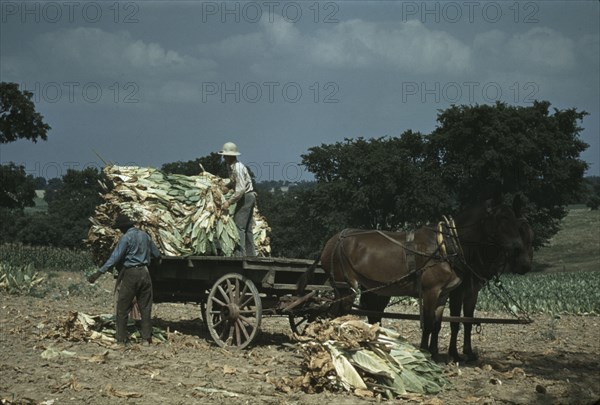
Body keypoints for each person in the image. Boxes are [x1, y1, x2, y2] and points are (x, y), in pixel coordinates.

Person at [87, 214, 161, 345]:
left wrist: (98, 273)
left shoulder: (126, 238)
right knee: (145, 307)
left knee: (122, 307)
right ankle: (146, 339)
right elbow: (157, 254)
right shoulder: (145, 236)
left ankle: (121, 340)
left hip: (131, 274)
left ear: (124, 228)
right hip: (145, 272)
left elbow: (114, 258)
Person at [218, 141, 257, 257]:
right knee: (248, 228)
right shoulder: (231, 166)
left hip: (246, 196)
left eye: (225, 155)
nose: (223, 158)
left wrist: (228, 202)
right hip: (248, 196)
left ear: (230, 156)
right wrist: (228, 186)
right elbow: (235, 182)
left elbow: (240, 190)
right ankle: (251, 255)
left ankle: (240, 256)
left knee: (239, 225)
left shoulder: (238, 168)